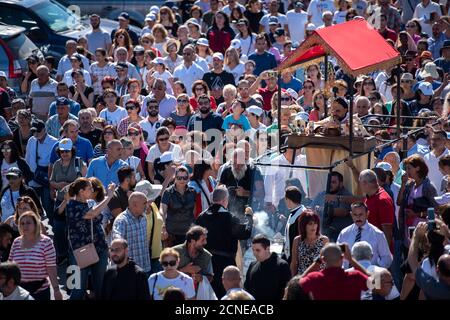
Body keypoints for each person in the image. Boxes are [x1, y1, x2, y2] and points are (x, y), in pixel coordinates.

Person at [195, 186, 253, 297]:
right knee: (227, 296)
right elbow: (245, 233)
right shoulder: (229, 217)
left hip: (205, 264)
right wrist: (249, 216)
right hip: (225, 264)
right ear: (225, 200)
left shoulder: (201, 217)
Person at [66, 178, 115, 300]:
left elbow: (98, 221)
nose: (93, 190)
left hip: (100, 248)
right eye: (89, 188)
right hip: (79, 252)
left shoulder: (91, 203)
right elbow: (91, 214)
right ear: (81, 191)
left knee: (100, 287)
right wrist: (108, 197)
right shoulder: (71, 205)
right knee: (78, 289)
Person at [8, 211, 61, 300]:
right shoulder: (16, 241)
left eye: (28, 223)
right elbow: (10, 266)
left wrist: (56, 290)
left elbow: (51, 267)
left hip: (40, 291)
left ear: (36, 224)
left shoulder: (46, 242)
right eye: (22, 223)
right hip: (19, 292)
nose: (25, 226)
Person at [299, 243, 369, 300]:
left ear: (323, 259)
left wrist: (318, 261)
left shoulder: (314, 278)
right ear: (342, 258)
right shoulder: (355, 277)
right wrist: (351, 259)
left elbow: (297, 284)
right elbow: (376, 283)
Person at [337, 202, 393, 268]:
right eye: (355, 214)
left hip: (370, 275)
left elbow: (386, 258)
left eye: (361, 214)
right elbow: (338, 254)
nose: (358, 217)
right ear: (351, 215)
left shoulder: (377, 234)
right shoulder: (344, 233)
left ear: (367, 214)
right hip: (348, 274)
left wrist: (376, 270)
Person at [407, 221, 450, 299]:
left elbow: (412, 260)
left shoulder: (435, 289)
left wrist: (416, 236)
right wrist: (447, 234)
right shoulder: (448, 249)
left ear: (438, 270)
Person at [112, 192, 152, 276]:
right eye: (145, 203)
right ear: (134, 204)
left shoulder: (143, 217)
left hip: (144, 267)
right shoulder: (122, 220)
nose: (147, 205)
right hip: (128, 270)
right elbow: (117, 240)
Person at [244, 234, 291, 300]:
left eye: (258, 250)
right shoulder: (252, 265)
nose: (254, 253)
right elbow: (246, 290)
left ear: (267, 249)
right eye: (253, 250)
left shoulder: (281, 266)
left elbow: (285, 292)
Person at [160, 166, 196, 246]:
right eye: (179, 178)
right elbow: (162, 211)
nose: (182, 180)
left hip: (188, 233)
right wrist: (163, 227)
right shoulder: (168, 192)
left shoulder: (193, 192)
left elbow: (194, 211)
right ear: (175, 178)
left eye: (184, 177)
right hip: (172, 234)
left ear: (188, 178)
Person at [358, 169, 395, 249]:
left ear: (365, 183)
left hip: (379, 252)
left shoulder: (383, 200)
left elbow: (387, 231)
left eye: (360, 183)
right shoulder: (370, 196)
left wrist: (385, 255)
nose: (359, 186)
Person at [291, 210, 329, 276]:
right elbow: (294, 263)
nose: (313, 226)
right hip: (303, 279)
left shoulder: (324, 240)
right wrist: (293, 281)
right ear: (303, 225)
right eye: (310, 224)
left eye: (315, 223)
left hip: (320, 279)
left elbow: (328, 262)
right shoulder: (297, 240)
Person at [281, 186, 306, 263]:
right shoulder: (294, 213)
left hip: (297, 258)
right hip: (289, 255)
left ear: (288, 200)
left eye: (285, 199)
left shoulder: (302, 214)